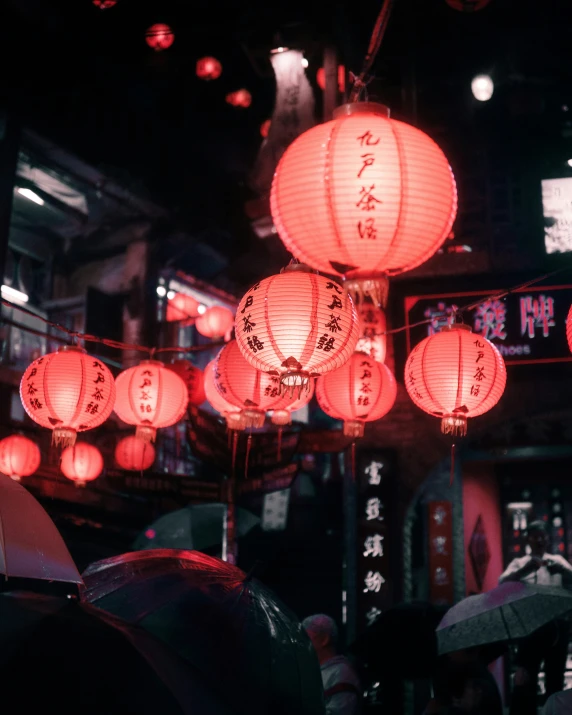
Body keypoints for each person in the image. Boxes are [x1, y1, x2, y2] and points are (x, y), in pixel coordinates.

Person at [499, 520, 572, 715]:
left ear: (548, 539)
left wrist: (563, 571)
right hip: (530, 627)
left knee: (555, 678)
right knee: (526, 676)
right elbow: (502, 584)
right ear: (527, 539)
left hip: (557, 626)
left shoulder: (557, 560)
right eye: (535, 536)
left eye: (542, 536)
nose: (539, 540)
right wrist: (525, 571)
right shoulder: (519, 563)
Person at [302, 614, 361, 715]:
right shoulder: (316, 670)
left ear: (324, 639)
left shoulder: (342, 674)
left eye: (307, 638)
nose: (302, 644)